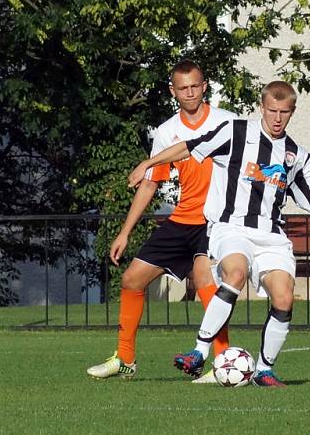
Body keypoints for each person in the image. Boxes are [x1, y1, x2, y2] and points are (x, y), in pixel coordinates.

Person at [128, 81, 310, 387]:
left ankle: (265, 371)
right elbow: (188, 147)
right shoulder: (235, 132)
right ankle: (199, 351)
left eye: (284, 112)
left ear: (292, 111)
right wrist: (148, 162)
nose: (277, 118)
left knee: (283, 297)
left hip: (272, 237)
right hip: (232, 227)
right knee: (236, 272)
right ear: (262, 107)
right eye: (272, 111)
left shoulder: (297, 156)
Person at [87, 60, 236, 383]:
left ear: (205, 85)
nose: (190, 92)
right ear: (173, 91)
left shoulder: (229, 123)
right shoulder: (167, 131)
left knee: (204, 282)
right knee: (131, 279)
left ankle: (224, 362)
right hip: (182, 219)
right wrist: (125, 232)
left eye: (195, 85)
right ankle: (125, 359)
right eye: (183, 88)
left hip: (214, 221)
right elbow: (151, 183)